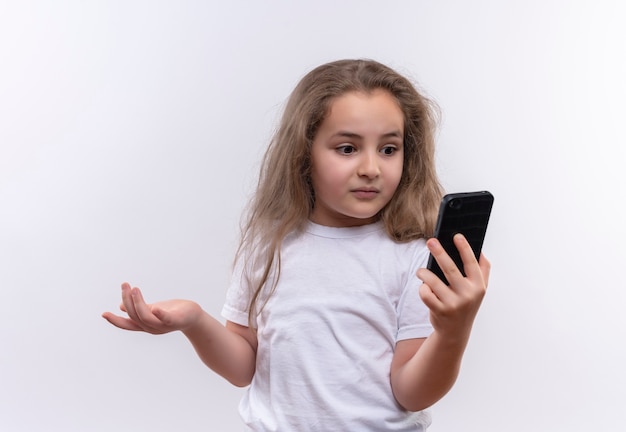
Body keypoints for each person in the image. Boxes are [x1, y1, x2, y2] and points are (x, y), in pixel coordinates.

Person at [102, 59, 490, 431]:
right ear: (304, 154)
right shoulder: (268, 245)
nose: (371, 167)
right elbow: (244, 367)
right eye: (347, 148)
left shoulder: (413, 256)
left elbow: (411, 392)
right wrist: (194, 321)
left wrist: (453, 330)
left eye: (389, 149)